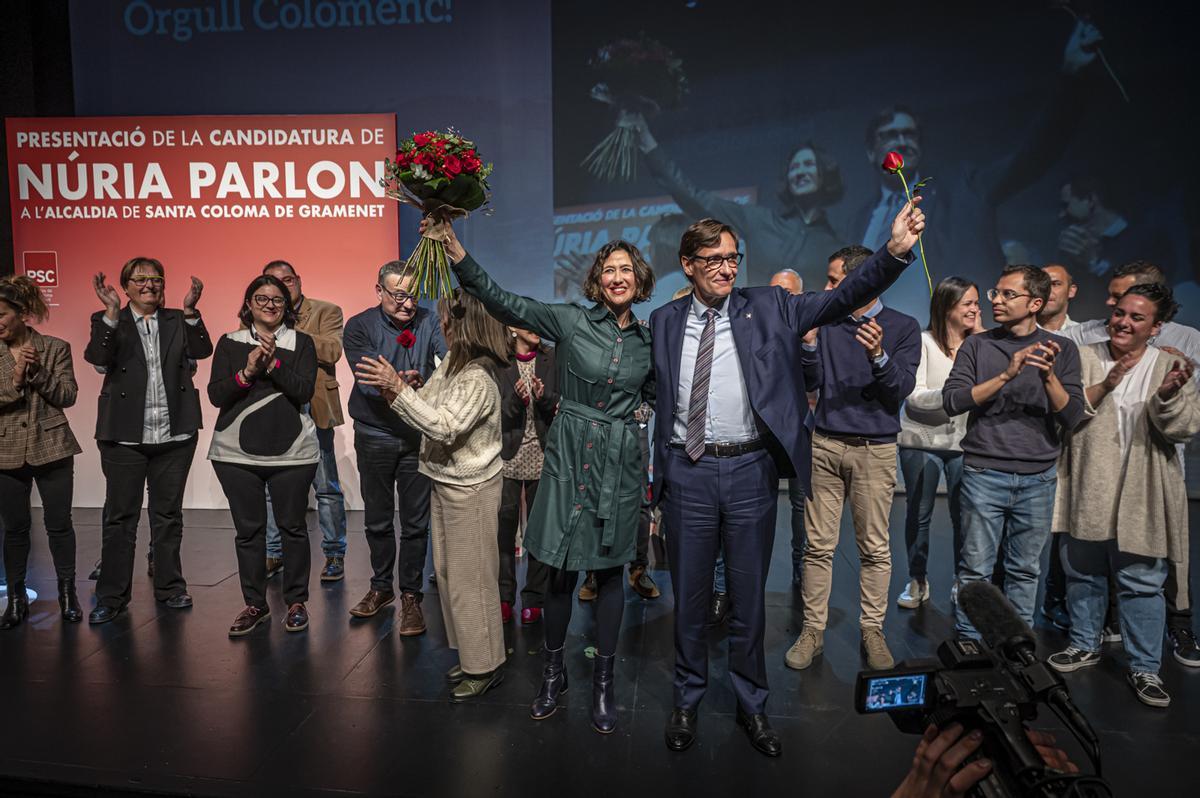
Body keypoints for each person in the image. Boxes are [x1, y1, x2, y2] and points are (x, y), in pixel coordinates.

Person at [653, 201, 925, 757]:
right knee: (692, 598)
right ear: (687, 264)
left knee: (749, 599)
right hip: (688, 472)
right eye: (714, 260)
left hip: (751, 470)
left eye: (734, 258)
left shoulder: (771, 305)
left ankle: (752, 704)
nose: (728, 269)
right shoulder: (664, 321)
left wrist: (894, 251)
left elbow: (843, 296)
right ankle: (687, 698)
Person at [441, 222, 655, 736]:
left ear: (639, 278)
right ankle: (554, 675)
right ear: (597, 280)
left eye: (626, 269)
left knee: (608, 576)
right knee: (558, 570)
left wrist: (641, 416)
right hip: (569, 458)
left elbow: (663, 388)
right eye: (609, 269)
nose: (618, 277)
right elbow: (502, 299)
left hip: (620, 463)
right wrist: (457, 252)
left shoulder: (653, 338)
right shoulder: (570, 321)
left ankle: (602, 684)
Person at [854, 21, 1102, 323]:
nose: (902, 142)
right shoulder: (863, 217)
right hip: (878, 346)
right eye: (890, 135)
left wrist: (1072, 78)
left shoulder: (964, 188)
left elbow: (1033, 156)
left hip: (953, 338)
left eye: (910, 134)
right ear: (870, 150)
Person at [1046, 284, 1198, 708]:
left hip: (1143, 489)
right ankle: (1084, 643)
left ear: (1156, 327)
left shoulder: (1170, 364)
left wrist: (1166, 397)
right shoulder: (1084, 356)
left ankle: (1145, 667)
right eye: (1121, 314)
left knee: (1142, 582)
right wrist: (1105, 385)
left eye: (1137, 318)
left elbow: (1182, 428)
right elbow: (1064, 415)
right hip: (1089, 481)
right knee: (1082, 572)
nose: (1124, 323)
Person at [356, 290, 510, 701]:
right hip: (447, 482)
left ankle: (485, 665)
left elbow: (443, 426)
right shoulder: (455, 367)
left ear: (463, 324)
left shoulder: (477, 376)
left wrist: (397, 390)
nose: (439, 324)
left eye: (446, 318)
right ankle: (478, 656)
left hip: (469, 490)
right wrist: (404, 390)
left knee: (471, 582)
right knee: (449, 578)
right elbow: (428, 407)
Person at [787, 245, 921, 672]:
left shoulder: (902, 326)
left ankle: (872, 630)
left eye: (832, 280)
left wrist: (877, 355)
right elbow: (811, 384)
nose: (826, 288)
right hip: (824, 443)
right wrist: (808, 347)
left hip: (875, 449)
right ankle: (812, 630)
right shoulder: (825, 324)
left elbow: (898, 390)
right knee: (818, 547)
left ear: (862, 280)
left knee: (875, 549)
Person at [942, 265, 1087, 638]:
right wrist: (1006, 375)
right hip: (984, 473)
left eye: (1009, 294)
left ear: (1035, 303)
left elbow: (1072, 415)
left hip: (1038, 478)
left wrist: (1048, 376)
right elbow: (954, 400)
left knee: (1025, 570)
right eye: (997, 292)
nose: (997, 301)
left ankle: (1016, 648)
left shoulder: (1063, 349)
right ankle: (970, 642)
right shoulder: (979, 345)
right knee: (975, 568)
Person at [85, 258, 212, 624]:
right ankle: (111, 596)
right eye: (139, 279)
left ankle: (170, 587)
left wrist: (191, 311)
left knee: (168, 516)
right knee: (120, 518)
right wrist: (110, 313)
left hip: (174, 434)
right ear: (124, 287)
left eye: (156, 278)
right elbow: (97, 358)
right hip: (124, 436)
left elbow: (202, 350)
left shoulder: (176, 319)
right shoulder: (108, 319)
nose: (149, 284)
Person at [208, 275, 319, 635]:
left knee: (293, 528)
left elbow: (303, 389)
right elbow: (217, 394)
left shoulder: (301, 342)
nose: (270, 305)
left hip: (293, 454)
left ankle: (297, 602)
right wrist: (248, 371)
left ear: (287, 306)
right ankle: (255, 604)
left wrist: (272, 365)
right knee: (249, 532)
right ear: (249, 304)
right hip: (236, 454)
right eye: (262, 298)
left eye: (277, 300)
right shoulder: (229, 343)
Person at [342, 261, 447, 632]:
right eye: (398, 295)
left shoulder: (429, 320)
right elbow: (371, 383)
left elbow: (448, 366)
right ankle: (380, 587)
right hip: (375, 434)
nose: (407, 303)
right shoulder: (359, 326)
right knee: (377, 518)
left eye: (412, 295)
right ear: (379, 291)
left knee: (416, 522)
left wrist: (427, 379)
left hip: (417, 433)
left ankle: (411, 596)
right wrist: (405, 387)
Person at [630, 112, 844, 288]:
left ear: (825, 174)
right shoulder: (759, 220)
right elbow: (693, 197)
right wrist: (647, 140)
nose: (799, 172)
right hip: (756, 335)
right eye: (794, 167)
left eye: (808, 164)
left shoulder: (835, 247)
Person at [0, 276, 83, 628]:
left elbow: (67, 395)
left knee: (59, 525)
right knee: (16, 529)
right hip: (5, 450)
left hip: (52, 447)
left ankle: (67, 593)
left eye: (1, 314)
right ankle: (16, 599)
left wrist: (38, 373)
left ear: (21, 313)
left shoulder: (54, 347)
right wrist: (17, 379)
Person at [895, 277, 980, 610]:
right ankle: (917, 579)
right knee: (919, 514)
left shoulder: (979, 345)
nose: (975, 309)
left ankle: (964, 582)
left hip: (965, 442)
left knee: (965, 516)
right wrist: (958, 397)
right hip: (922, 439)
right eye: (968, 304)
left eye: (976, 303)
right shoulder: (923, 341)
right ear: (947, 308)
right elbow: (914, 397)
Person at [260, 261, 348, 583]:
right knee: (272, 488)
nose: (283, 287)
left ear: (298, 281)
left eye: (288, 280)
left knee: (325, 487)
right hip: (276, 407)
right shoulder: (261, 313)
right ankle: (274, 552)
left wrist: (289, 331)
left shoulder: (326, 311)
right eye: (275, 282)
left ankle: (334, 553)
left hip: (315, 406)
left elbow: (333, 350)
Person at [496, 326, 558, 624]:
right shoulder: (500, 360)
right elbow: (495, 412)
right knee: (504, 532)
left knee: (537, 532)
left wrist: (543, 397)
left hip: (542, 455)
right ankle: (504, 597)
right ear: (513, 328)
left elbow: (559, 402)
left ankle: (533, 597)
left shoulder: (551, 359)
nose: (536, 330)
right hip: (508, 456)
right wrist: (516, 401)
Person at [1037, 263, 1079, 332]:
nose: (1047, 290)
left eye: (1056, 284)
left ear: (1071, 291)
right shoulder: (1018, 334)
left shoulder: (1084, 336)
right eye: (1041, 285)